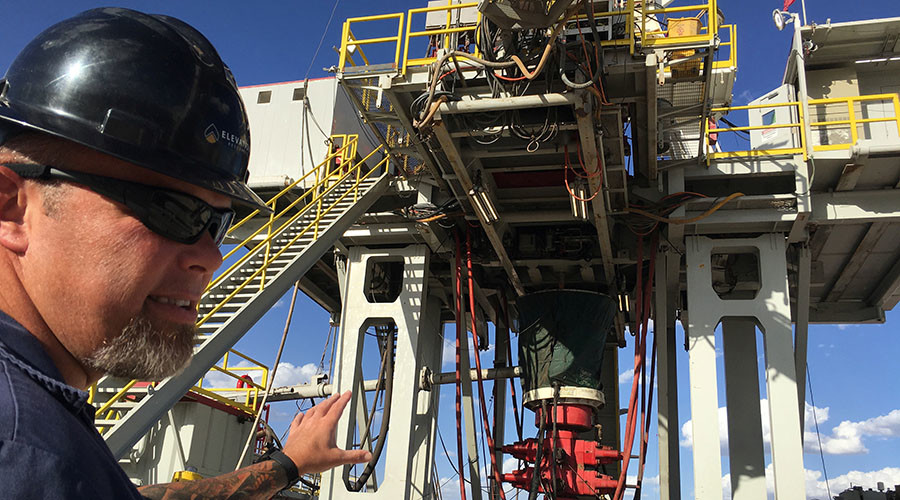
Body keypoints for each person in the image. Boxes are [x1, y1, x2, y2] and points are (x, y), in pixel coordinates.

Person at [0, 7, 371, 499]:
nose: (211, 257)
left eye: (219, 222)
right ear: (11, 206)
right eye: (171, 210)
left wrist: (287, 464)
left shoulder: (45, 420)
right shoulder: (27, 451)